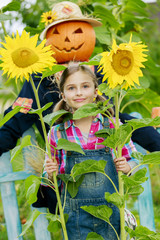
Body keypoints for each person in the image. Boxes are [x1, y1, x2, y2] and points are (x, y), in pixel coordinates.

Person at [44, 64, 139, 239]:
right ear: (63, 96)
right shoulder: (57, 133)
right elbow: (49, 179)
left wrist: (127, 167)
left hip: (111, 211)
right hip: (75, 215)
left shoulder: (112, 126)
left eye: (85, 86)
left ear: (96, 91)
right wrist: (51, 173)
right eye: (72, 88)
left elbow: (134, 161)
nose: (79, 92)